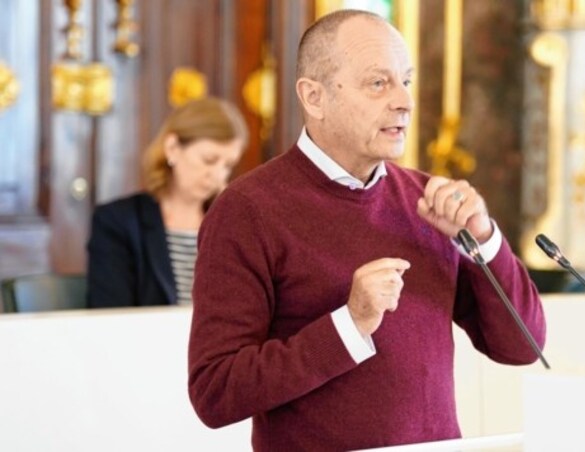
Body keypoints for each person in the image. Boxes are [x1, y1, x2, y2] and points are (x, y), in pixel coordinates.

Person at [187, 9, 546, 451]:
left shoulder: (429, 200)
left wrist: (485, 240)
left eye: (406, 81)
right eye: (378, 83)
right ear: (314, 97)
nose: (404, 102)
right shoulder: (247, 210)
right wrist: (350, 325)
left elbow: (522, 346)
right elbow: (215, 393)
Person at [86, 97, 248, 308]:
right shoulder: (117, 221)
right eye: (209, 160)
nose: (218, 175)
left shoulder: (234, 225)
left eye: (228, 165)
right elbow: (109, 316)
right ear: (172, 148)